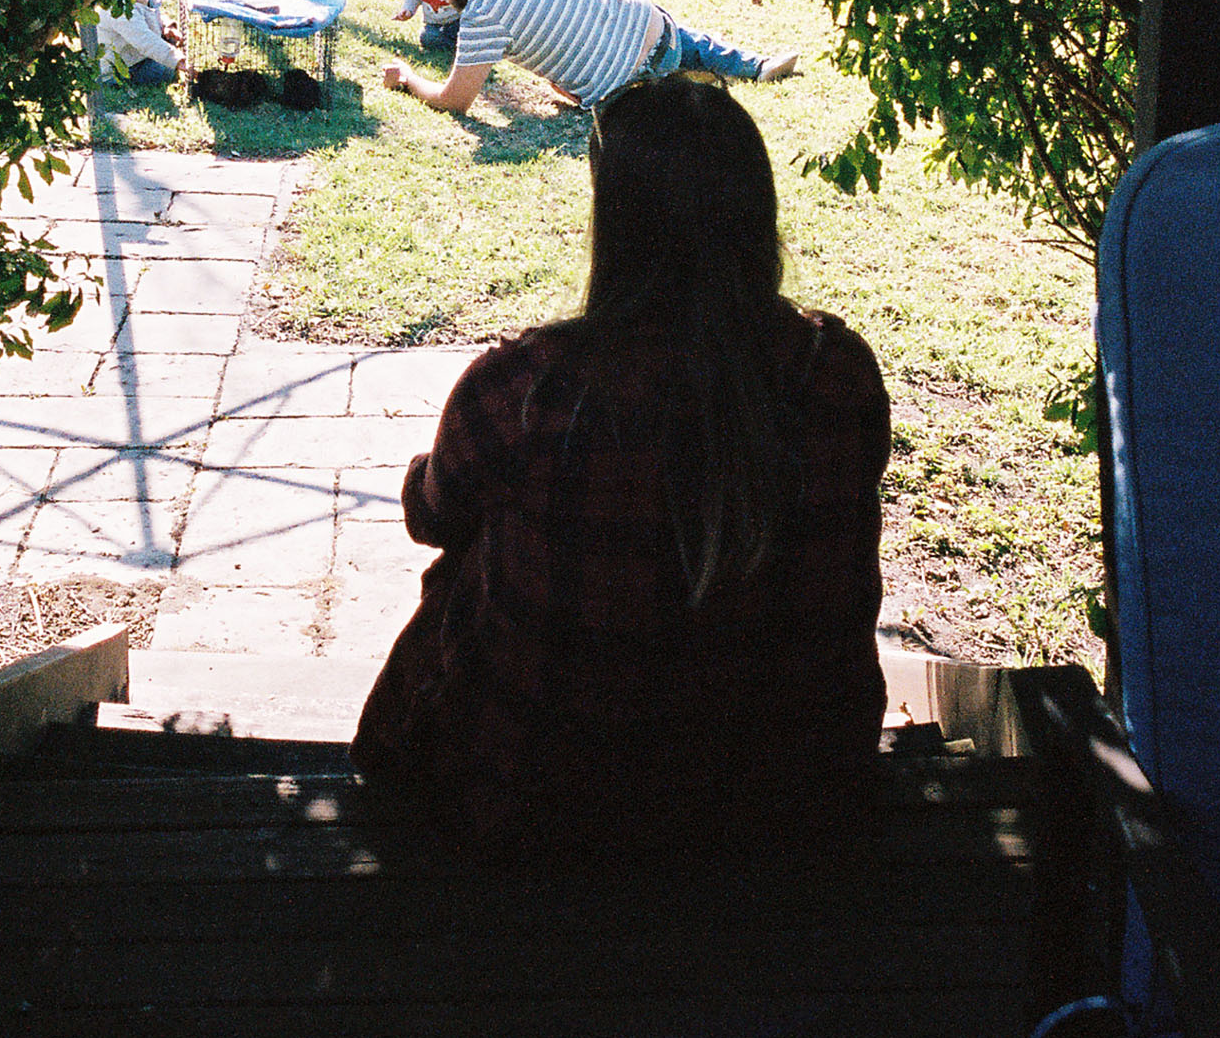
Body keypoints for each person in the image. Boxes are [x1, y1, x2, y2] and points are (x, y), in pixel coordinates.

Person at [350, 75, 890, 852]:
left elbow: (430, 515)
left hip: (538, 814)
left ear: (616, 222)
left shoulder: (526, 390)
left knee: (471, 560)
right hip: (782, 817)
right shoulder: (833, 373)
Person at [377, 0, 799, 114]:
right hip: (652, 24)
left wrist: (409, 78)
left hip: (625, 90)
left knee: (643, 85)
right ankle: (754, 66)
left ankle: (684, 83)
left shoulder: (481, 19)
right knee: (689, 44)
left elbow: (455, 100)